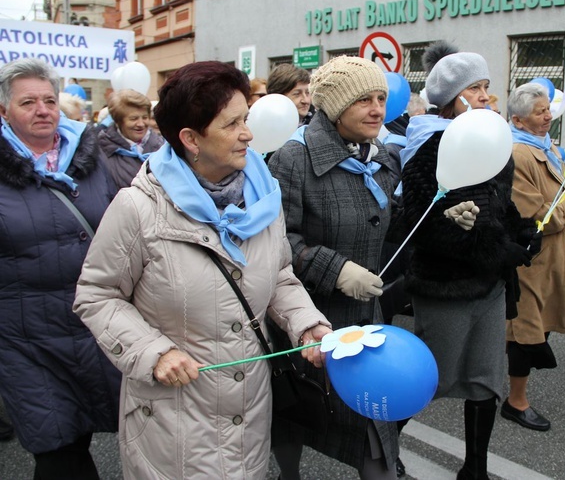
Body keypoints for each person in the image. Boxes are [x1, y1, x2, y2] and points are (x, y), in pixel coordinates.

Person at [73, 61, 332, 480]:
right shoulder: (139, 208)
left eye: (245, 118)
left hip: (249, 409)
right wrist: (152, 352)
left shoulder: (263, 196)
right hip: (172, 418)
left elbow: (279, 274)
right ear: (191, 139)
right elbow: (97, 295)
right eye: (232, 124)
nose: (248, 133)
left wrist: (306, 324)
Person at [398, 42, 540, 480]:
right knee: (428, 381)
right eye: (476, 89)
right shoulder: (426, 150)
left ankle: (474, 468)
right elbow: (427, 228)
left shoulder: (489, 140)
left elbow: (502, 205)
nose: (485, 97)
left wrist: (522, 230)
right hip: (445, 288)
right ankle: (382, 448)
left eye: (486, 87)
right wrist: (501, 251)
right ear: (452, 98)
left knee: (484, 382)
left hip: (489, 288)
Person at [268, 56, 406, 480]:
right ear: (332, 106)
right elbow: (276, 243)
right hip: (307, 319)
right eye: (363, 99)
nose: (377, 109)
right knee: (296, 414)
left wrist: (442, 218)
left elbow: (386, 222)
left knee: (373, 427)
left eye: (381, 98)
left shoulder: (385, 157)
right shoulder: (293, 159)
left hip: (366, 319)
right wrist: (338, 269)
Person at [0, 57, 120, 479]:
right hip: (24, 338)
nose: (42, 109)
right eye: (27, 102)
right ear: (4, 111)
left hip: (91, 324)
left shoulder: (88, 155)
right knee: (56, 448)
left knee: (78, 432)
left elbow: (117, 221)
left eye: (49, 100)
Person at [506, 81, 565, 432]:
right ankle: (515, 401)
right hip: (533, 260)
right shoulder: (519, 154)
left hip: (553, 255)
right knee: (525, 332)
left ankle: (509, 388)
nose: (548, 116)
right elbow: (532, 215)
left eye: (548, 108)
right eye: (539, 112)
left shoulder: (544, 147)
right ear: (518, 121)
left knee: (538, 327)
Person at [97, 89, 164, 189]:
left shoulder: (162, 147)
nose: (141, 124)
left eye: (145, 117)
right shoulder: (103, 151)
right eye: (134, 119)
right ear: (118, 121)